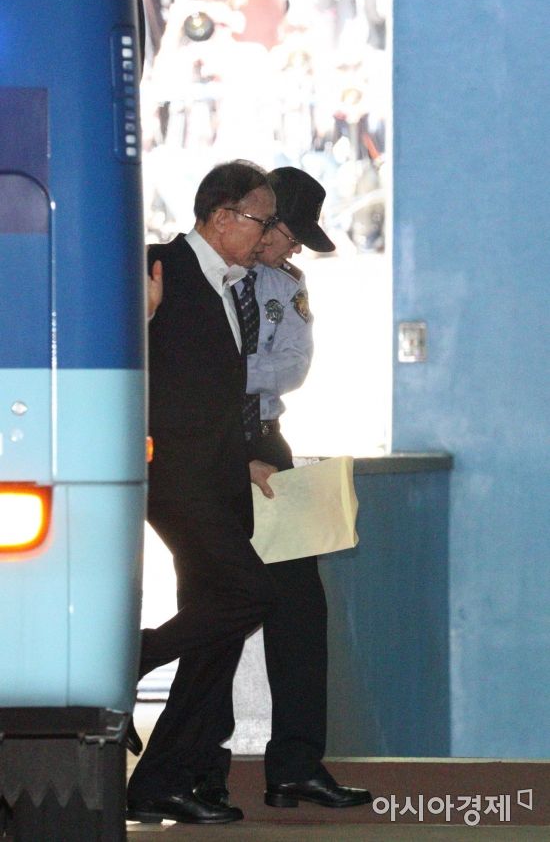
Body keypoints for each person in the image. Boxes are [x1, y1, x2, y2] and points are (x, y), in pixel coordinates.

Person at [189, 166, 373, 809]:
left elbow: (292, 368)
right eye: (288, 234)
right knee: (213, 607)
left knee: (299, 608)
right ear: (259, 220)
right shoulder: (194, 273)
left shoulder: (284, 286)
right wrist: (229, 374)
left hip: (267, 444)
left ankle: (296, 765)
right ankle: (200, 769)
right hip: (207, 449)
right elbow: (178, 372)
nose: (291, 247)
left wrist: (223, 371)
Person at [126, 160, 280, 826]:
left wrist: (244, 458)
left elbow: (212, 389)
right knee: (250, 594)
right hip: (173, 477)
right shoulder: (158, 267)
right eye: (260, 220)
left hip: (217, 478)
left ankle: (162, 780)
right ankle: (131, 657)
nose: (266, 234)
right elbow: (111, 352)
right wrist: (141, 317)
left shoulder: (235, 286)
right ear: (221, 216)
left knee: (219, 626)